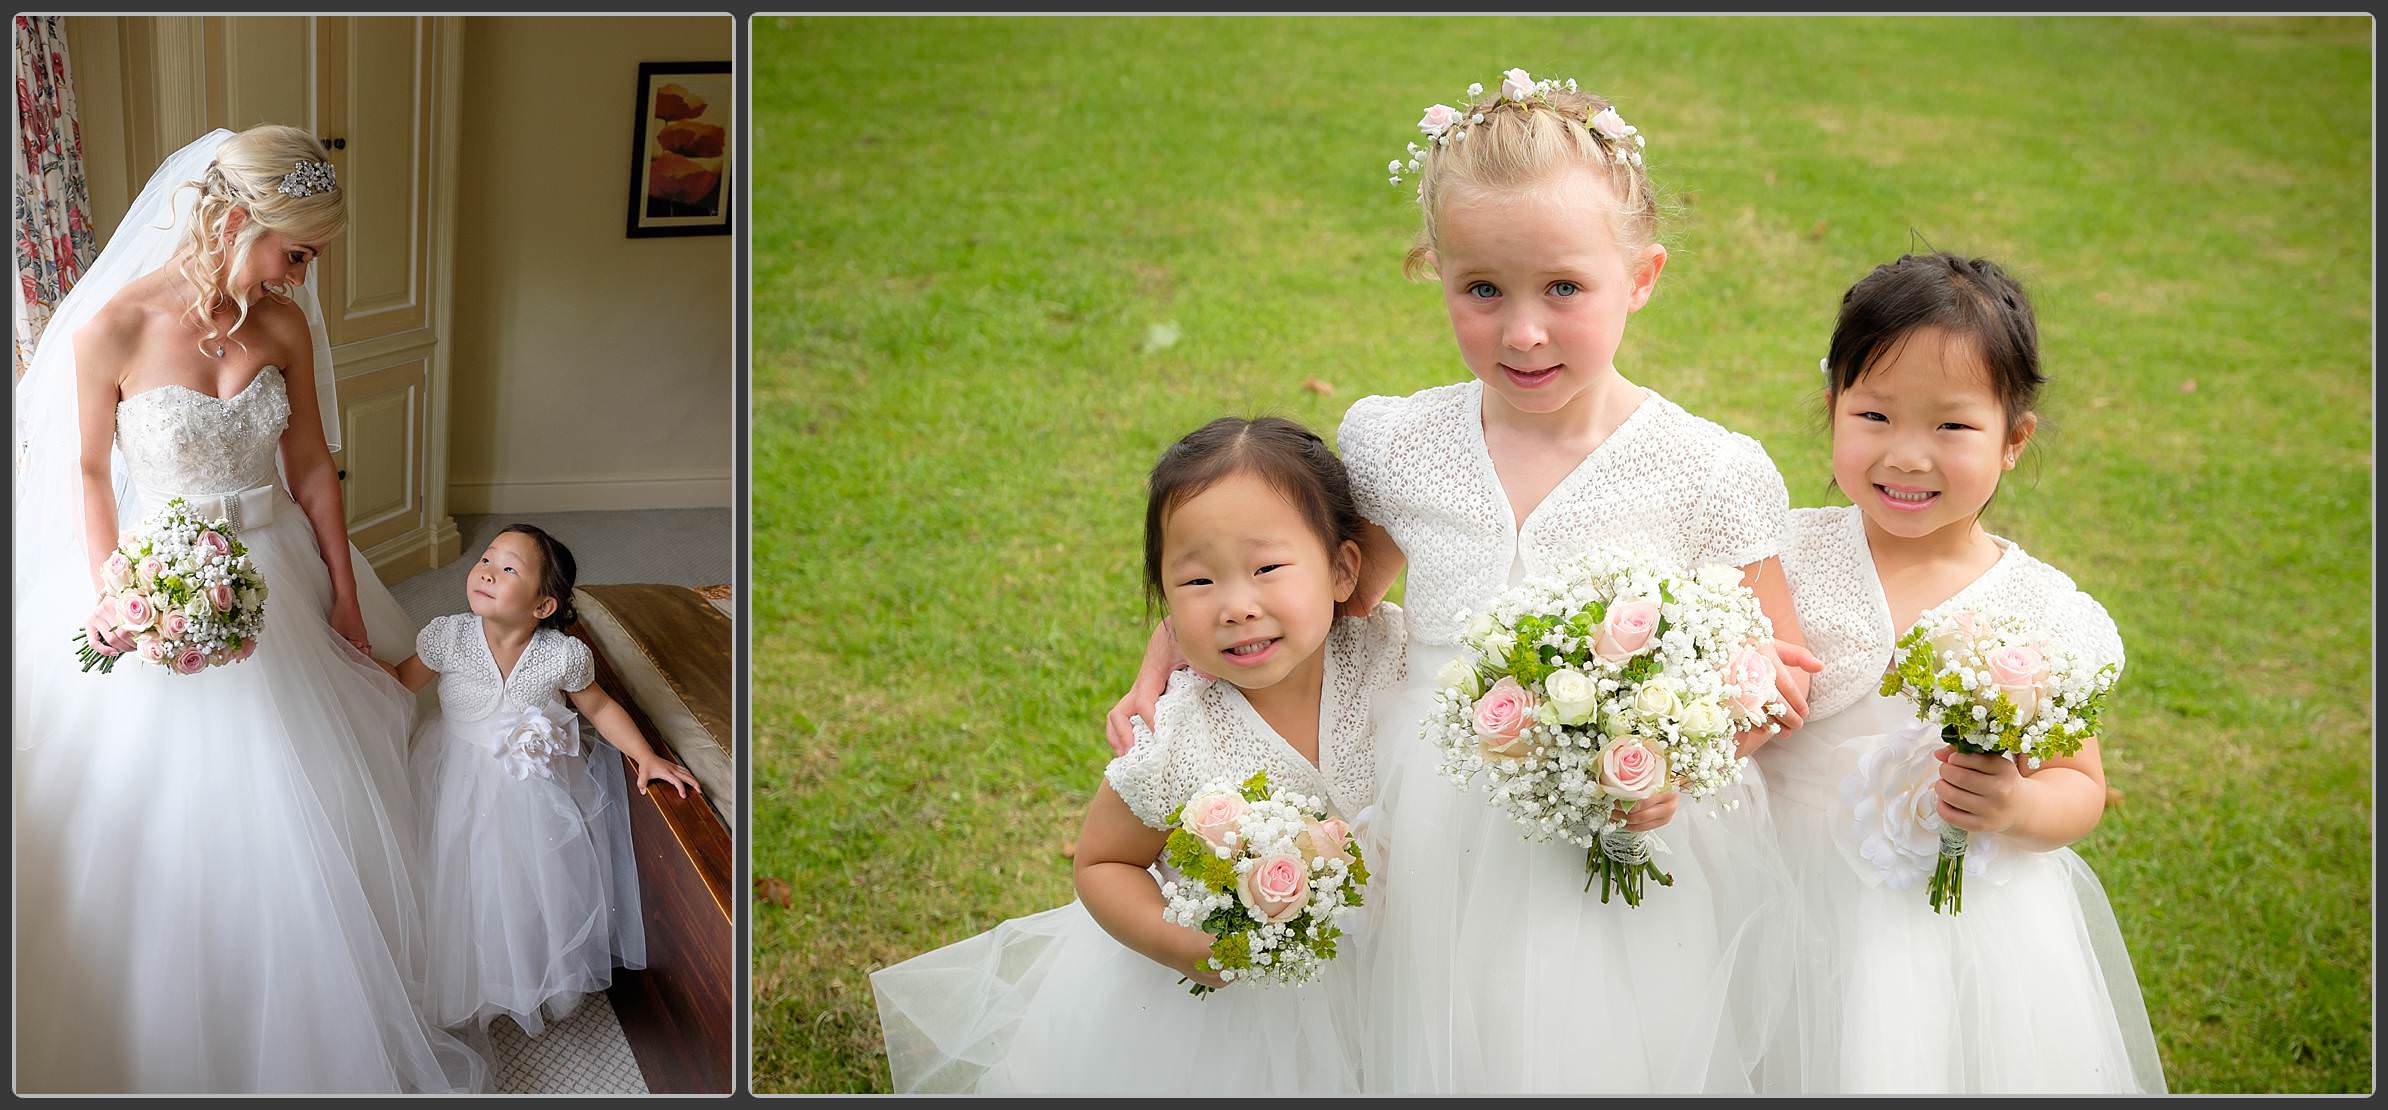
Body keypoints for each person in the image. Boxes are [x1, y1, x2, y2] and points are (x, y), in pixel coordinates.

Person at [1110, 69, 1819, 1093]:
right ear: (1434, 270)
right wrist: (1164, 656)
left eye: (1563, 289)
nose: (1522, 332)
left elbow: (1777, 674)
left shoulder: (1709, 470)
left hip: (1624, 835)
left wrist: (1666, 758)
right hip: (1429, 809)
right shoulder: (1400, 442)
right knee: (1435, 1037)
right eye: (1481, 289)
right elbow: (1315, 590)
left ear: (1643, 276)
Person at [12, 125, 483, 1092]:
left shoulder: (283, 328)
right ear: (234, 219)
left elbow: (309, 463)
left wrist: (347, 597)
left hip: (281, 568)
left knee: (329, 780)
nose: (303, 277)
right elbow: (92, 472)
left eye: (310, 259)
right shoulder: (114, 326)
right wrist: (116, 595)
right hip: (166, 570)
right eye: (296, 253)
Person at [873, 417, 1406, 1093]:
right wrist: (1185, 946)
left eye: (1268, 568)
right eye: (1197, 582)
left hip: (1398, 977)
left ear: (1341, 569)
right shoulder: (1179, 731)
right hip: (1236, 1027)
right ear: (1162, 596)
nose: (1237, 606)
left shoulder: (1396, 658)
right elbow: (1103, 862)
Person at [1753, 252, 2166, 1093]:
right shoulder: (1780, 555)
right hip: (1772, 890)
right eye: (1874, 415)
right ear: (1831, 409)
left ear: (2014, 442)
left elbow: (2079, 787)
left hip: (1944, 926)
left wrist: (2015, 803)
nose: (1908, 457)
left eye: (1952, 427)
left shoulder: (2036, 612)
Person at [384, 524, 700, 1038]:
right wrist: (345, 677)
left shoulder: (562, 655)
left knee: (530, 879)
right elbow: (398, 681)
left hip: (532, 790)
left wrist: (645, 755)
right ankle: (462, 971)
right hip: (454, 774)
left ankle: (524, 968)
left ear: (543, 606)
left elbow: (597, 705)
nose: (487, 570)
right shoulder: (448, 636)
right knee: (456, 870)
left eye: (510, 568)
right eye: (487, 558)